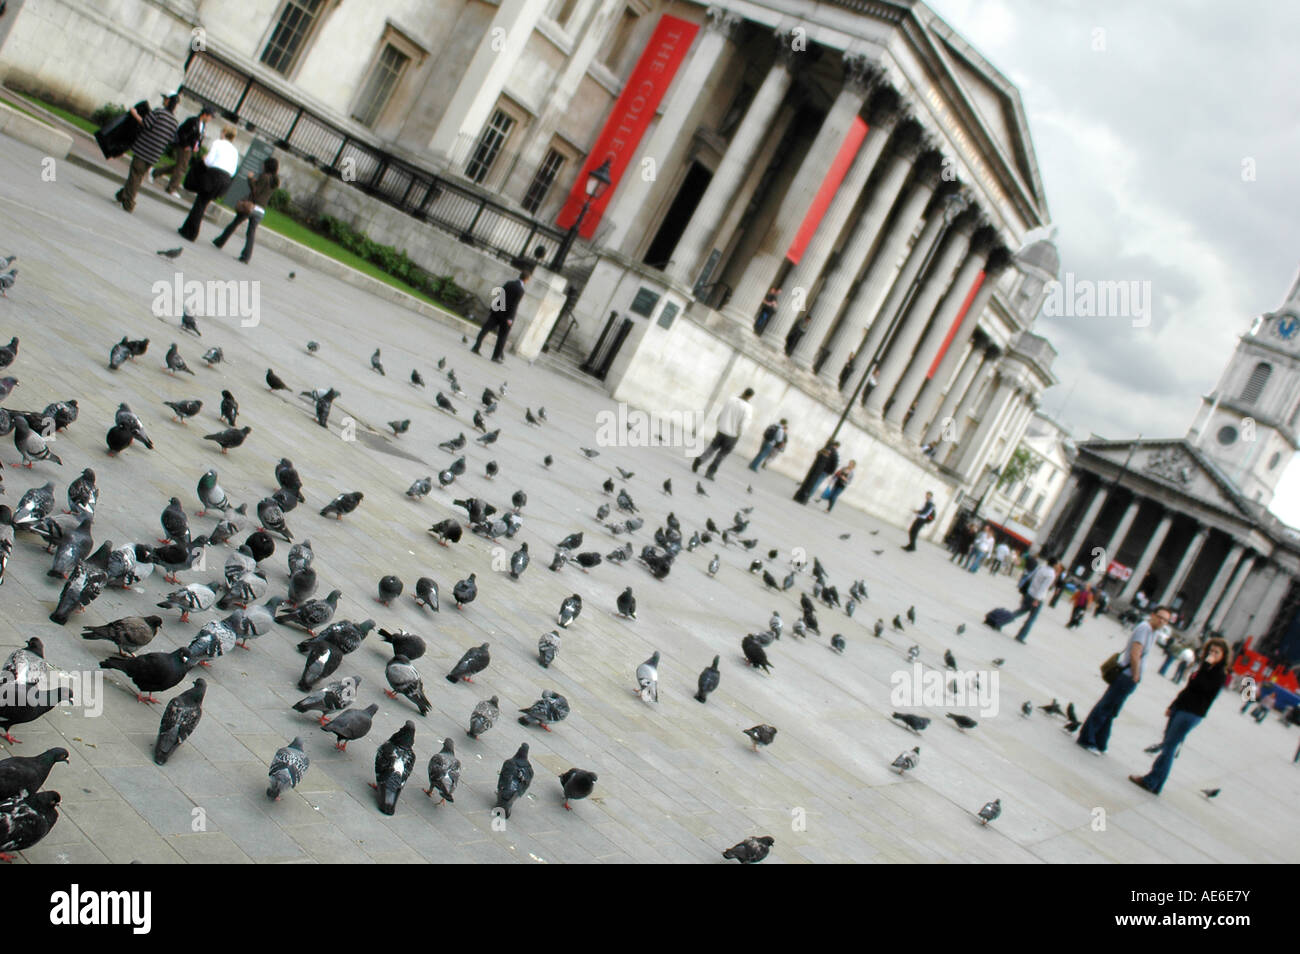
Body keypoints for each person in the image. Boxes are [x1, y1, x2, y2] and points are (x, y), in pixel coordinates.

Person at [1130, 638, 1228, 794]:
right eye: (1210, 651)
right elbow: (1188, 688)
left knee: (1169, 747)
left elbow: (1203, 688)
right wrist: (1173, 705)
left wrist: (1206, 666)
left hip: (1192, 713)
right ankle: (1156, 784)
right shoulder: (1203, 668)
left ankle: (1151, 781)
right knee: (1168, 744)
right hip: (1181, 707)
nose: (1212, 654)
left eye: (1216, 652)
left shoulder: (1219, 674)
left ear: (1223, 655)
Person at [1077, 605, 1171, 755]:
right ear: (1153, 615)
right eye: (1160, 617)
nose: (1161, 621)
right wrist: (1135, 675)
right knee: (1106, 707)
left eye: (1165, 620)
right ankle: (1086, 738)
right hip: (1126, 676)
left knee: (1112, 710)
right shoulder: (1145, 628)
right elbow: (1135, 653)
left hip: (1130, 677)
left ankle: (1100, 742)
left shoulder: (1154, 632)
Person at [115, 92, 179, 213]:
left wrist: (135, 114)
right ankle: (121, 195)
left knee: (135, 175)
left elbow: (145, 123)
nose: (163, 100)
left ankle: (129, 203)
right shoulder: (175, 122)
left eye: (165, 99)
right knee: (138, 176)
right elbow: (171, 139)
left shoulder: (158, 112)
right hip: (154, 155)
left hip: (143, 149)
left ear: (168, 101)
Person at [177, 124, 239, 241]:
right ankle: (186, 228)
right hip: (225, 180)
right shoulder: (235, 151)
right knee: (202, 203)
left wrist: (204, 159)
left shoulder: (218, 143)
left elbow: (209, 161)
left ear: (224, 132)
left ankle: (191, 232)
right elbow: (234, 170)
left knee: (200, 204)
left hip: (214, 176)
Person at [212, 156, 279, 263]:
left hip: (252, 206)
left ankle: (220, 241)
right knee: (251, 233)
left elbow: (255, 191)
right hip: (261, 210)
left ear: (267, 166)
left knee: (234, 224)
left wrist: (250, 179)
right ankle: (246, 256)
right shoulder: (275, 181)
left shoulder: (265, 177)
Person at [692, 387, 754, 480]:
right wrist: (739, 433)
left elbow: (722, 413)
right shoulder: (748, 408)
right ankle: (710, 472)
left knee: (712, 447)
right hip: (732, 435)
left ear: (743, 392)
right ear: (750, 396)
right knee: (722, 455)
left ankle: (700, 460)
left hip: (721, 429)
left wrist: (720, 424)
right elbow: (744, 424)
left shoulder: (731, 400)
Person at [472, 266, 531, 363]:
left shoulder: (509, 283)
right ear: (526, 279)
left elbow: (500, 295)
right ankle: (496, 356)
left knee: (485, 328)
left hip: (498, 310)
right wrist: (510, 318)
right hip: (506, 316)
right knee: (502, 336)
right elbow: (514, 305)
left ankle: (476, 346)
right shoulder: (520, 290)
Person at [153, 105, 213, 196]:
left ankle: (156, 172)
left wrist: (197, 146)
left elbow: (199, 138)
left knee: (180, 167)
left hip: (191, 148)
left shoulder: (203, 125)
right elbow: (181, 131)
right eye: (210, 116)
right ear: (205, 114)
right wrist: (185, 144)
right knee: (181, 168)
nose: (210, 119)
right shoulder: (193, 121)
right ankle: (171, 188)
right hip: (184, 147)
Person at [1010, 559, 1060, 644]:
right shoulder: (1051, 574)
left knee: (1020, 610)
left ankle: (1003, 618)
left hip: (1030, 593)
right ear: (1055, 564)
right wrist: (1037, 599)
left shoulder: (1041, 567)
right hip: (1037, 598)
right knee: (1031, 618)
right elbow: (1043, 588)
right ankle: (1021, 636)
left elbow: (1031, 577)